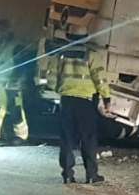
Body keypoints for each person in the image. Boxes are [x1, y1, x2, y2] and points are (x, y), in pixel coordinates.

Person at [39, 35, 110, 183]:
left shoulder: (60, 54)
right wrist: (106, 97)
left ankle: (67, 174)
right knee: (88, 138)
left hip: (67, 100)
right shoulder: (91, 54)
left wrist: (61, 88)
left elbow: (51, 78)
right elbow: (100, 78)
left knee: (67, 139)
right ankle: (91, 175)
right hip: (86, 101)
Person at [0, 19, 29, 144]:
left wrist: (17, 78)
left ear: (6, 31)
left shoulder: (15, 45)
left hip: (12, 84)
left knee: (15, 110)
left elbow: (22, 65)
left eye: (0, 30)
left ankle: (20, 136)